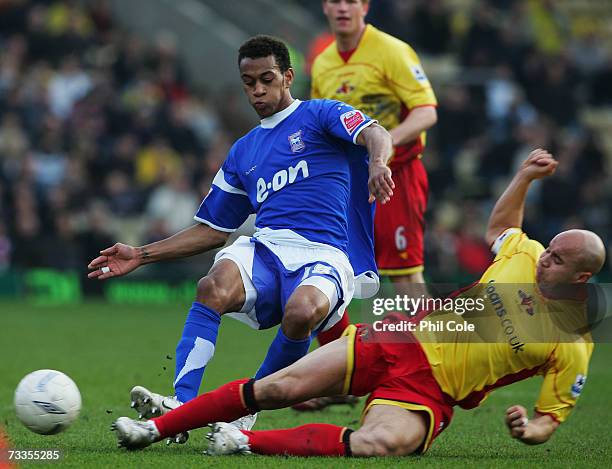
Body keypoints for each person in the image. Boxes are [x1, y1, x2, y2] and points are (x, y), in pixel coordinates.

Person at [111, 149, 605, 457]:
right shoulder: (526, 253)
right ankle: (153, 429)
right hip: (399, 339)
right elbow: (502, 228)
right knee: (276, 389)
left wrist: (529, 430)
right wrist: (523, 177)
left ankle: (243, 440)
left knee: (379, 444)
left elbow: (549, 420)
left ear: (581, 278)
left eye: (558, 260)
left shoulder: (573, 344)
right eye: (550, 249)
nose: (546, 259)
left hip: (430, 393)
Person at [88, 35, 393, 435]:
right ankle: (180, 404)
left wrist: (378, 164)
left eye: (267, 79)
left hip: (325, 253)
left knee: (302, 312)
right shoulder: (243, 152)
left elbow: (376, 133)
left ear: (287, 77)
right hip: (266, 248)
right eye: (249, 82)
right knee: (212, 286)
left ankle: (249, 406)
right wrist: (141, 255)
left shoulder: (320, 115)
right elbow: (213, 231)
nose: (258, 90)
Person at [295, 0, 439, 411]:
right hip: (348, 184)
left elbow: (427, 111)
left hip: (397, 174)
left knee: (405, 277)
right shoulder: (322, 62)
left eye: (351, 0)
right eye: (335, 0)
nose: (343, 7)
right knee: (331, 270)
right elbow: (323, 122)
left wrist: (386, 140)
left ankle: (438, 368)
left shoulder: (392, 50)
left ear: (365, 6)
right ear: (325, 7)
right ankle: (337, 378)